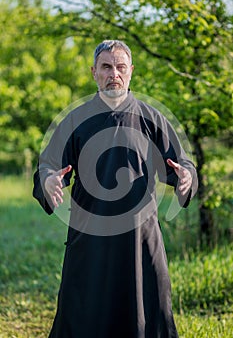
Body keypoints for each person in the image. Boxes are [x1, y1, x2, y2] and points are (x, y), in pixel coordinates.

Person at [33, 40, 198, 338]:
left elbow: (183, 165)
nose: (114, 74)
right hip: (89, 239)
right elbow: (47, 165)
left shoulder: (152, 118)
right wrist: (48, 180)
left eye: (121, 67)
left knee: (147, 314)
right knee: (84, 315)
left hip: (141, 239)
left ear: (131, 71)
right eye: (107, 67)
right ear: (94, 71)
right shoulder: (74, 120)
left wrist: (186, 177)